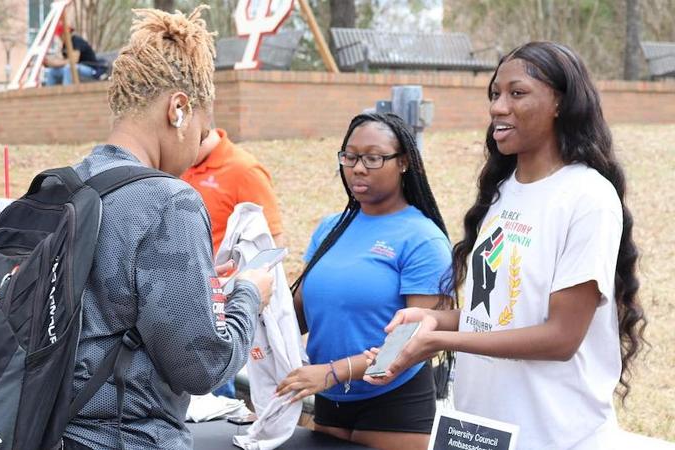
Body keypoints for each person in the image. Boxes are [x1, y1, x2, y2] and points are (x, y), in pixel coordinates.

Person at [365, 42, 647, 450]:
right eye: (495, 94)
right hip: (481, 431)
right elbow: (495, 315)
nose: (498, 107)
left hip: (556, 436)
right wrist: (431, 322)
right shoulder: (502, 192)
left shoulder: (587, 197)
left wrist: (441, 342)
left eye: (517, 93)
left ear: (560, 104)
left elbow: (561, 337)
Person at [61, 7, 273, 450]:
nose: (198, 148)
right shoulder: (168, 201)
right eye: (201, 132)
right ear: (178, 108)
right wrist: (249, 294)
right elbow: (201, 367)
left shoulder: (65, 182)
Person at [274, 113, 452, 450]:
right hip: (330, 397)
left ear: (403, 163)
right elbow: (298, 311)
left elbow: (412, 342)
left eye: (373, 158)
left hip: (394, 404)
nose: (358, 168)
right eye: (350, 157)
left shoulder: (422, 239)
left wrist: (332, 371)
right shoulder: (330, 228)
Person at [181, 127, 285, 398]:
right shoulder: (179, 163)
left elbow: (271, 243)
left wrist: (246, 293)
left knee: (214, 397)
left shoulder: (244, 170)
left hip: (223, 308)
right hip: (180, 304)